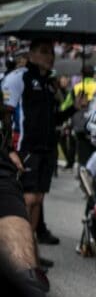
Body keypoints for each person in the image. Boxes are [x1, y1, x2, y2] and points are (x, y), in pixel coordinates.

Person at [2, 40, 79, 256]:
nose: (50, 57)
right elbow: (5, 115)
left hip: (46, 149)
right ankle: (16, 254)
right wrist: (9, 150)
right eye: (44, 52)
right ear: (32, 54)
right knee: (27, 200)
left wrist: (74, 108)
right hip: (25, 148)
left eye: (52, 53)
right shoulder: (19, 78)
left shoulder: (48, 83)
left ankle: (30, 251)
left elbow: (54, 119)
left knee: (38, 200)